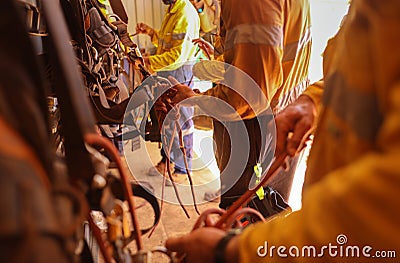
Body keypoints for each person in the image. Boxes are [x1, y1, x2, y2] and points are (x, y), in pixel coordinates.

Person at [165, 0, 400, 262]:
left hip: (255, 132)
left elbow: (247, 95)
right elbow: (359, 69)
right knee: (266, 209)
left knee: (247, 214)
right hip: (282, 123)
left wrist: (231, 251)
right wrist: (313, 99)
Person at [171, 0, 311, 208]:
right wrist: (225, 57)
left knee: (247, 218)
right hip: (281, 115)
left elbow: (247, 96)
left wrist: (193, 98)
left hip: (257, 127)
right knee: (269, 213)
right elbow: (266, 59)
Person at [135, 0, 200, 181]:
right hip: (169, 71)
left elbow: (177, 55)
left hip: (179, 71)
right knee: (166, 119)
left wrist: (147, 62)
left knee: (180, 121)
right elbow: (167, 43)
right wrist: (151, 33)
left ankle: (182, 168)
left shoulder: (184, 13)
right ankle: (168, 160)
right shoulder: (174, 9)